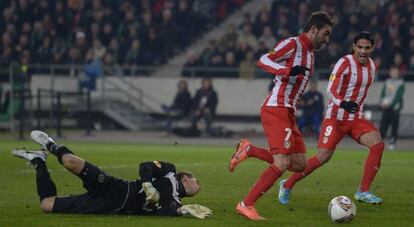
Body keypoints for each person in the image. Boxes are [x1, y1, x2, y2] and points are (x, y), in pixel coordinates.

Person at [228, 11, 334, 220]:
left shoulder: (311, 53)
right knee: (282, 162)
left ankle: (249, 149)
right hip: (276, 107)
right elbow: (263, 59)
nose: (327, 39)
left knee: (299, 164)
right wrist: (285, 71)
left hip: (289, 111)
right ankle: (246, 204)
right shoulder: (293, 44)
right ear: (313, 29)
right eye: (326, 33)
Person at [278, 31, 385, 206]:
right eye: (360, 47)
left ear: (372, 48)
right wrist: (342, 103)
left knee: (377, 144)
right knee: (322, 157)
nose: (363, 51)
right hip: (335, 118)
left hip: (355, 118)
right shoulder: (344, 63)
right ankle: (287, 184)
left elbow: (360, 92)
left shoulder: (372, 66)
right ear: (354, 47)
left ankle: (363, 191)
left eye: (367, 47)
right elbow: (330, 89)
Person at [12, 130, 212, 218]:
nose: (199, 186)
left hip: (106, 207)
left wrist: (182, 211)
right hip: (115, 187)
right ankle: (50, 144)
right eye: (197, 181)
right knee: (70, 161)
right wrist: (147, 184)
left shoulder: (175, 204)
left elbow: (163, 213)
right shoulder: (170, 172)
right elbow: (146, 166)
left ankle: (38, 160)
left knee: (46, 205)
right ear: (185, 177)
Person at [379, 66, 405, 150]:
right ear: (390, 73)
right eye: (392, 72)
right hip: (386, 108)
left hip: (395, 109)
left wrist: (390, 104)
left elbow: (398, 96)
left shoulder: (401, 83)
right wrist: (382, 102)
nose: (394, 73)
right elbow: (383, 94)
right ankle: (378, 143)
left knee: (394, 127)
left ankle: (392, 142)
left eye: (395, 72)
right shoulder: (387, 82)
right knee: (383, 126)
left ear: (398, 73)